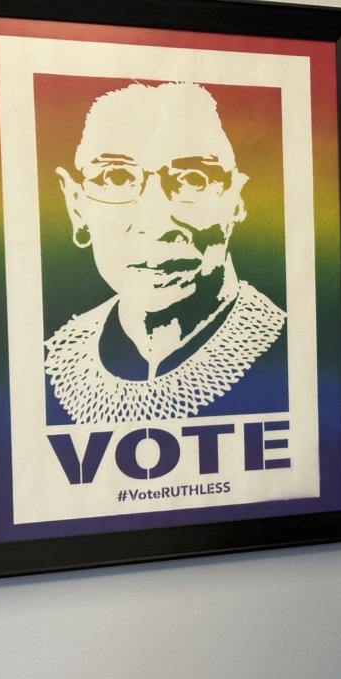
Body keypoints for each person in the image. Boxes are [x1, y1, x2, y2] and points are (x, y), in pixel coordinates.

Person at [45, 81, 286, 424]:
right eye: (116, 177)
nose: (156, 224)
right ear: (77, 206)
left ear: (235, 200)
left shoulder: (298, 356)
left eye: (193, 179)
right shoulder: (43, 366)